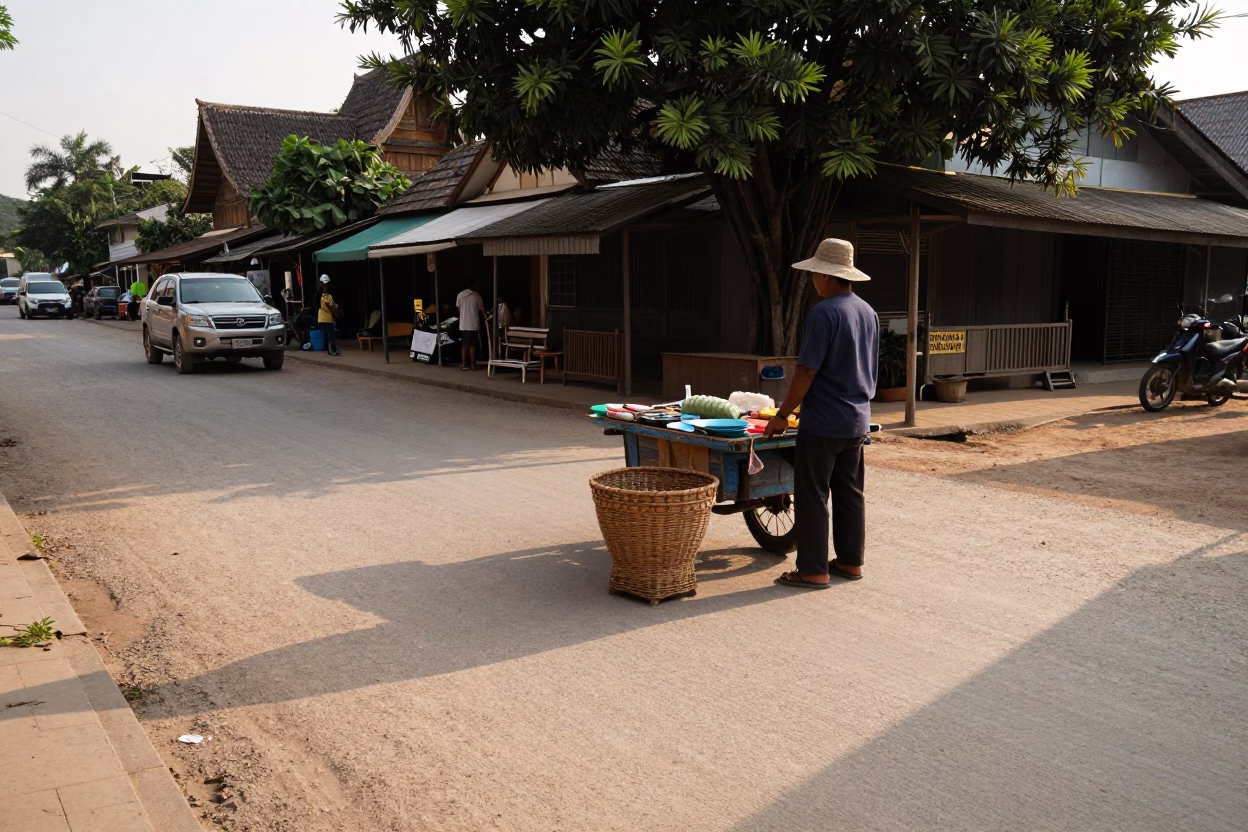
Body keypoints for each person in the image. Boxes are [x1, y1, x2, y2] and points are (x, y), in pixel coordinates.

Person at [765, 238, 879, 588]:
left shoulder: (824, 312)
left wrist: (783, 414)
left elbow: (806, 370)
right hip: (856, 419)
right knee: (849, 493)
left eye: (816, 273)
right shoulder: (867, 312)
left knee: (813, 495)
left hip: (824, 421)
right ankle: (850, 562)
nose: (813, 279)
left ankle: (813, 569)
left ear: (828, 277)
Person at [456, 278, 486, 371]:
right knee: (472, 345)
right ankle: (473, 365)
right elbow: (481, 309)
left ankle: (464, 364)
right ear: (474, 285)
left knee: (464, 344)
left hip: (463, 324)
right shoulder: (476, 295)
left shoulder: (460, 295)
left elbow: (458, 309)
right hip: (473, 324)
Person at [317, 275, 341, 356]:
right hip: (326, 318)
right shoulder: (325, 296)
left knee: (328, 334)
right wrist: (336, 314)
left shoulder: (326, 295)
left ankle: (329, 349)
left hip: (324, 318)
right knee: (331, 334)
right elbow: (330, 306)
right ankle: (332, 350)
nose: (326, 286)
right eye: (325, 284)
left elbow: (333, 305)